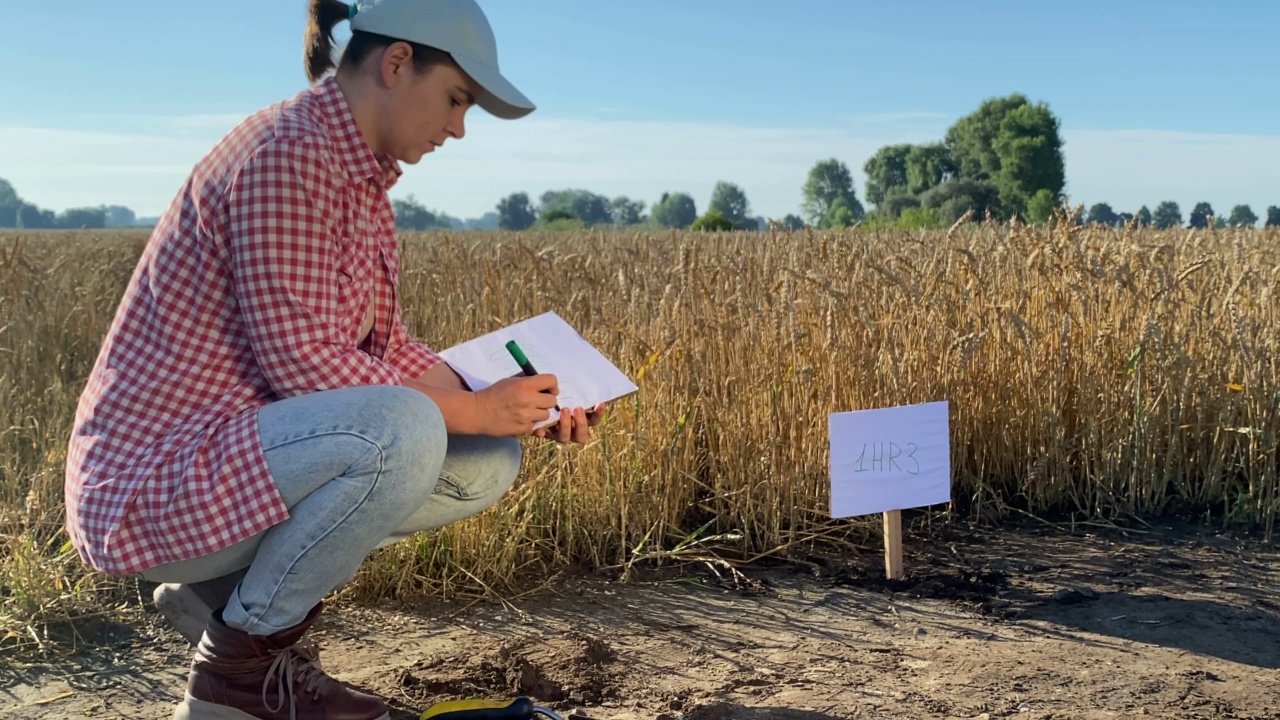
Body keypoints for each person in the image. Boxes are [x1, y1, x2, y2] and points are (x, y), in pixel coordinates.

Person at [62, 1, 602, 718]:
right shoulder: (286, 155)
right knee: (406, 433)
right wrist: (473, 406)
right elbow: (309, 367)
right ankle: (238, 676)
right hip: (149, 488)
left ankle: (222, 603)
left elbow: (388, 354)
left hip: (228, 464)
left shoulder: (360, 182)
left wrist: (517, 401)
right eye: (455, 100)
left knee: (485, 459)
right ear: (397, 62)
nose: (457, 128)